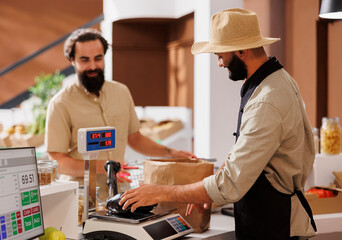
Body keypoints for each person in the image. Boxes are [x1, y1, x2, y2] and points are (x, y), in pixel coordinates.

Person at [120, 8, 317, 239]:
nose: (220, 64)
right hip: (267, 219)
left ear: (242, 51)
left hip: (277, 226)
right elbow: (258, 153)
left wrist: (160, 192)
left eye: (220, 55)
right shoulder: (276, 81)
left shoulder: (267, 100)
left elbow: (231, 183)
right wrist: (204, 191)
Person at [45, 28, 196, 201]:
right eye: (84, 60)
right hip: (80, 199)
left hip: (119, 193)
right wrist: (102, 167)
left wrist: (170, 152)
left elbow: (135, 138)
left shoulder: (121, 92)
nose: (93, 66)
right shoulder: (60, 103)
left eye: (98, 58)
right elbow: (58, 161)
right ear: (72, 60)